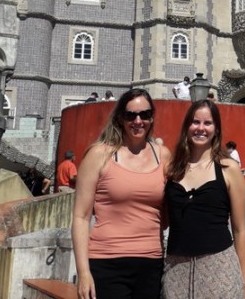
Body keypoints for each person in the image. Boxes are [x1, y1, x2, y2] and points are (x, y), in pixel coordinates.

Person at [72, 89, 171, 299]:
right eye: (130, 115)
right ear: (120, 118)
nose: (138, 121)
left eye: (144, 115)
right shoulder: (99, 154)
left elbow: (169, 211)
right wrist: (83, 272)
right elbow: (81, 217)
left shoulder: (163, 155)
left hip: (151, 263)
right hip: (107, 263)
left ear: (151, 117)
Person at [162, 99, 245, 299]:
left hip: (219, 270)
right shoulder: (172, 169)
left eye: (207, 123)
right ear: (187, 126)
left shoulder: (228, 169)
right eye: (195, 122)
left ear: (216, 129)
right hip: (176, 270)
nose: (200, 128)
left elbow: (239, 229)